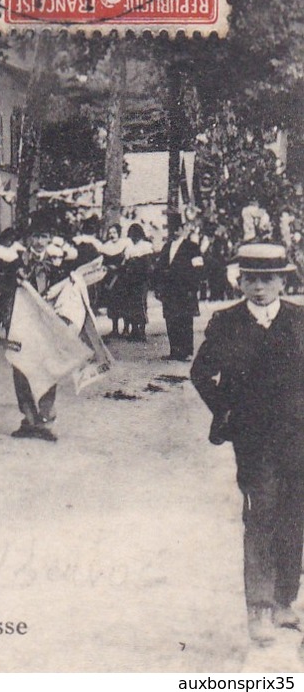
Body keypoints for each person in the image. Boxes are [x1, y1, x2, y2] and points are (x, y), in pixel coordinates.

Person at [191, 243, 304, 646]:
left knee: (294, 517)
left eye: (268, 279)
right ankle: (258, 607)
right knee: (260, 516)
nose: (259, 288)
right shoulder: (226, 322)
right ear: (239, 280)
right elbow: (201, 373)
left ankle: (285, 600)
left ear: (283, 281)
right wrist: (227, 413)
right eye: (250, 279)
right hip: (254, 441)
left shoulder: (299, 320)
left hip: (298, 438)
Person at [8, 219, 88, 442]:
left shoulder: (59, 264)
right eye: (36, 236)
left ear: (50, 239)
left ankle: (46, 418)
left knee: (48, 367)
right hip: (22, 323)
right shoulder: (15, 262)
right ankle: (29, 418)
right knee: (20, 368)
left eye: (44, 236)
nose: (40, 241)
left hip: (46, 326)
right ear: (28, 238)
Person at [158, 217, 205, 361]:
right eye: (172, 229)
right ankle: (174, 350)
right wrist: (159, 287)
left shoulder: (192, 247)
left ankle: (186, 351)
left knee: (185, 319)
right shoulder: (166, 247)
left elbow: (198, 269)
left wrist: (193, 288)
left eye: (177, 228)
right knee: (171, 319)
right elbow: (160, 268)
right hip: (169, 290)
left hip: (185, 290)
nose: (175, 232)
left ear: (183, 229)